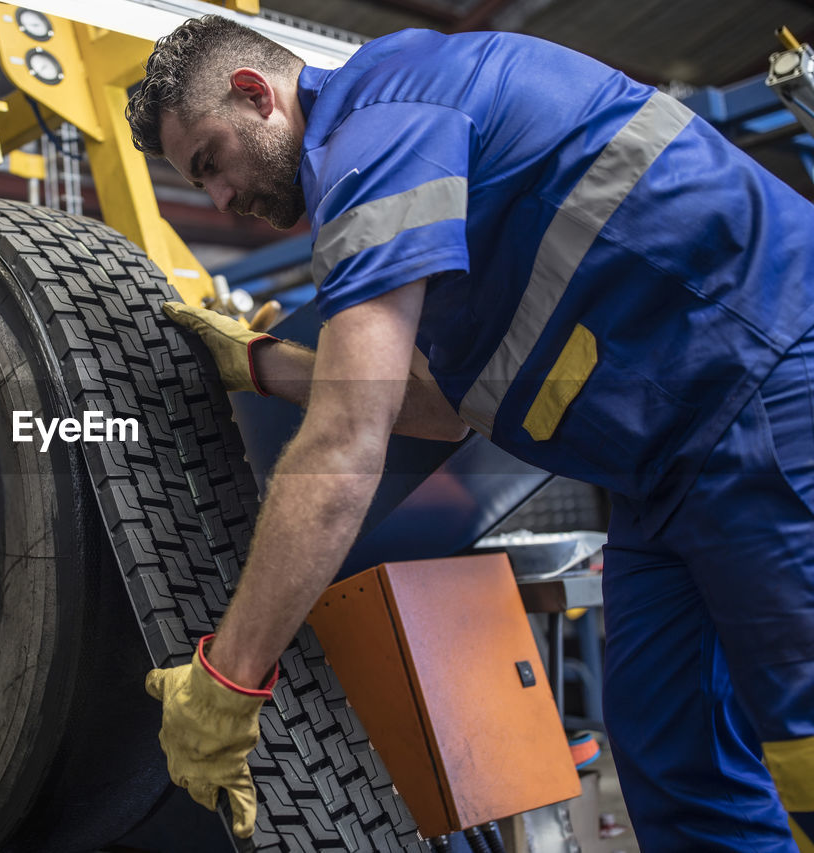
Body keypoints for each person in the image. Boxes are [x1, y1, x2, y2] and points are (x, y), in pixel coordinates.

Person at [127, 15, 814, 851]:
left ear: (253, 94)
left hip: (763, 383)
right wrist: (268, 364)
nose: (220, 199)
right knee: (676, 765)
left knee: (805, 738)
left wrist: (230, 677)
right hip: (664, 468)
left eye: (210, 163)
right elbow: (437, 407)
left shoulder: (378, 126)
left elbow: (349, 442)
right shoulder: (398, 159)